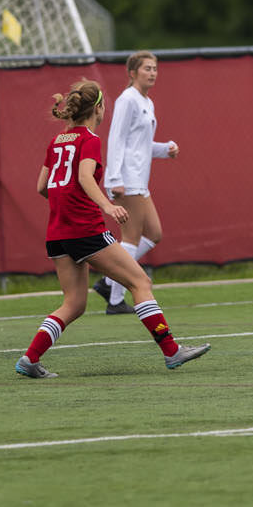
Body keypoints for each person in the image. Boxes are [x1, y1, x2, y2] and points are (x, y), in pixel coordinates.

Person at [14, 80, 212, 378]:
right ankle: (171, 350)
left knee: (74, 303)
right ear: (99, 109)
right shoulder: (89, 139)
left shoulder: (57, 142)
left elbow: (42, 186)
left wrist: (63, 205)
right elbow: (83, 177)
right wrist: (106, 206)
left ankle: (30, 359)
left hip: (57, 234)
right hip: (85, 231)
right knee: (140, 282)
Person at [92, 51, 179, 316]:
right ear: (132, 73)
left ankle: (108, 283)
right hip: (126, 180)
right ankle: (116, 299)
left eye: (155, 68)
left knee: (154, 234)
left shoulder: (146, 102)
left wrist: (166, 149)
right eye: (146, 69)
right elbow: (116, 139)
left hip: (140, 180)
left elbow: (140, 144)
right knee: (130, 238)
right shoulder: (127, 100)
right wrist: (115, 179)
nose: (152, 73)